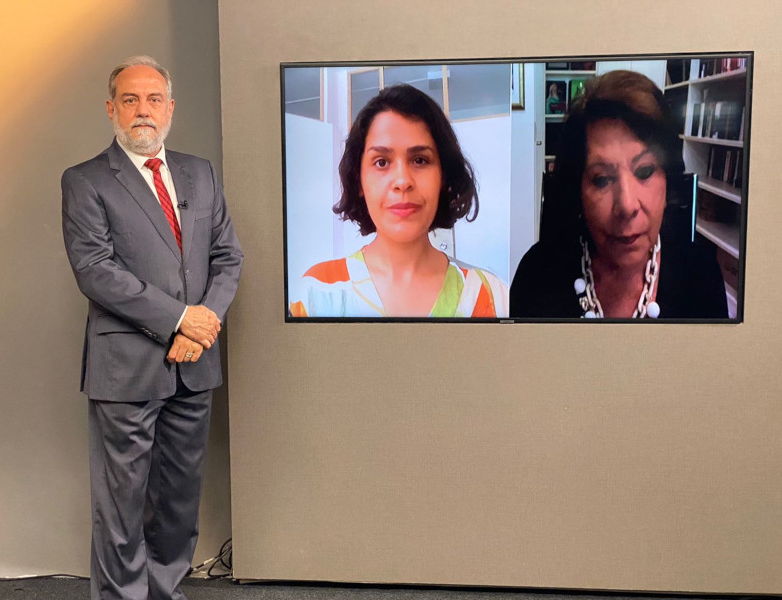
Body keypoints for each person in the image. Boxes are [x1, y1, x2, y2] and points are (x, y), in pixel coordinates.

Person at [61, 55, 243, 600]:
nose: (144, 111)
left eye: (155, 99)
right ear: (111, 107)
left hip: (196, 366)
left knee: (178, 501)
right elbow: (96, 271)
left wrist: (202, 326)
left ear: (171, 108)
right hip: (126, 368)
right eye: (132, 99)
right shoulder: (86, 180)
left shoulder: (200, 173)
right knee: (121, 504)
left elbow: (227, 257)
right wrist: (180, 319)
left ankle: (165, 593)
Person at [511, 70, 727, 319]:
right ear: (578, 191)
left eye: (645, 171)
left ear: (669, 181)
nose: (626, 205)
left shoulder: (702, 277)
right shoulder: (536, 276)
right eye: (601, 179)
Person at [289, 84, 507, 318]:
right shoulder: (317, 294)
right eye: (381, 162)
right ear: (359, 179)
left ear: (443, 177)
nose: (403, 181)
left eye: (420, 160)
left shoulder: (492, 296)